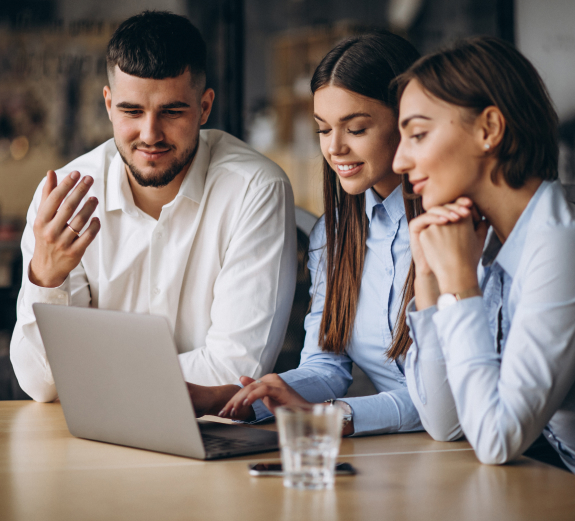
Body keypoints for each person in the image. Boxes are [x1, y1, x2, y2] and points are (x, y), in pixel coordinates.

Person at [10, 11, 297, 403]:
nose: (150, 135)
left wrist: (85, 375)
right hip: (88, 439)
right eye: (131, 111)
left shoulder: (255, 189)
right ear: (109, 104)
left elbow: (235, 372)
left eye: (172, 111)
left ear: (205, 107)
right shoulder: (61, 200)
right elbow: (41, 383)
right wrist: (46, 277)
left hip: (211, 442)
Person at [187, 31, 424, 437]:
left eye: (356, 128)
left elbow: (445, 403)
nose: (334, 148)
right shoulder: (333, 237)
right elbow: (326, 366)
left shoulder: (455, 229)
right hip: (413, 455)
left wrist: (335, 416)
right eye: (323, 129)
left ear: (408, 122)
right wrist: (236, 400)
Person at [392, 36, 575, 472]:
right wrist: (431, 283)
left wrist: (460, 282)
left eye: (417, 134)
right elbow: (445, 421)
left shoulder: (560, 241)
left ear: (489, 129)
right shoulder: (487, 238)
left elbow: (496, 440)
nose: (399, 160)